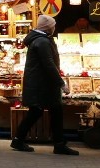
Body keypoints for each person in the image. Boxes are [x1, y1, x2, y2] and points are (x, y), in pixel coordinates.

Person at [10, 15, 79, 155]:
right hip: (43, 85)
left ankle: (19, 139)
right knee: (52, 111)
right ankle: (58, 144)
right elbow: (49, 64)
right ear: (48, 27)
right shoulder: (42, 42)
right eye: (53, 25)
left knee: (38, 112)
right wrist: (61, 83)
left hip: (40, 84)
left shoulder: (40, 40)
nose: (54, 27)